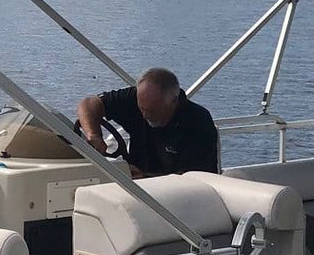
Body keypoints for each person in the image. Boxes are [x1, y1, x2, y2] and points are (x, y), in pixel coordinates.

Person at [76, 67, 220, 178]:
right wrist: (94, 134)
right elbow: (89, 104)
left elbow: (196, 179)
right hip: (135, 185)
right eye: (141, 108)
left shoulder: (198, 122)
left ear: (174, 100)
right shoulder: (134, 99)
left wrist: (146, 177)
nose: (145, 115)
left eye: (152, 110)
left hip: (177, 196)